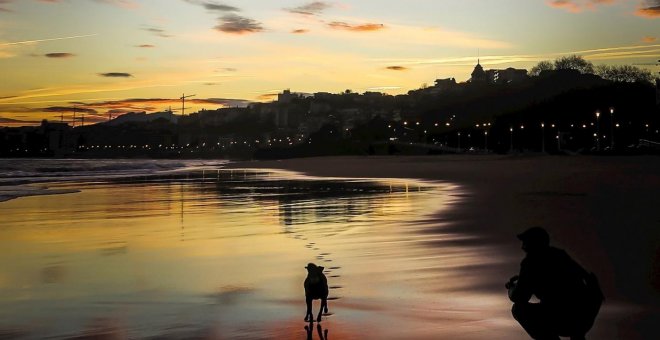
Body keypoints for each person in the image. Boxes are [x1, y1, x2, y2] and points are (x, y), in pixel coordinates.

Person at [506, 227, 603, 340]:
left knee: (518, 309)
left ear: (534, 243)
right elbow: (586, 280)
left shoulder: (531, 262)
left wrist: (512, 288)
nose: (523, 247)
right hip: (582, 317)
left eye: (526, 243)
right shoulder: (560, 255)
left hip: (561, 318)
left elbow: (519, 297)